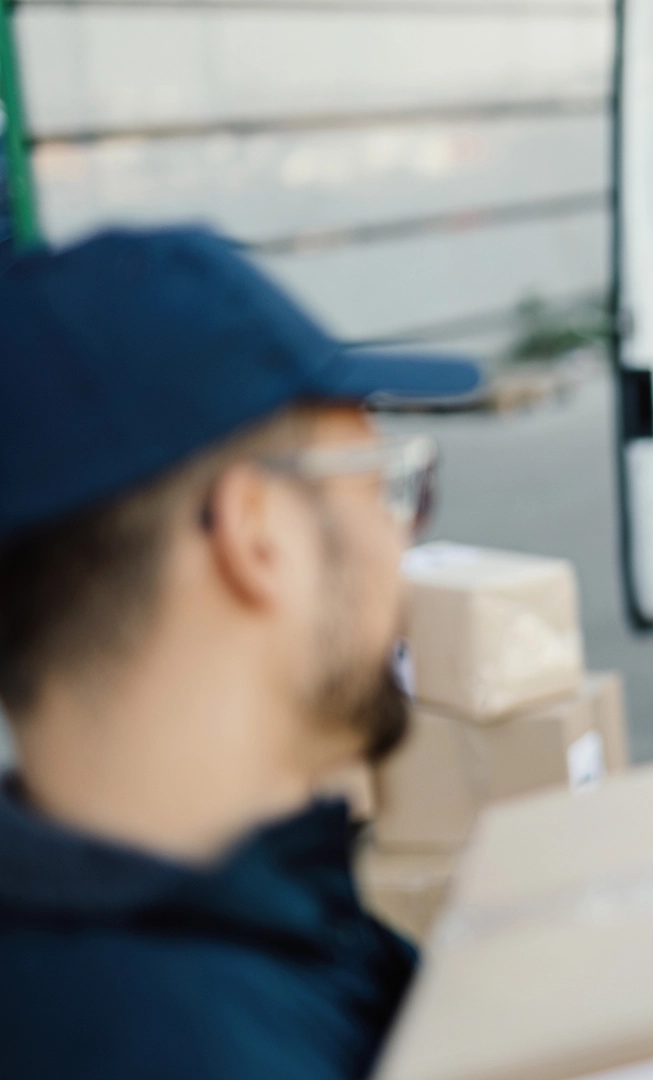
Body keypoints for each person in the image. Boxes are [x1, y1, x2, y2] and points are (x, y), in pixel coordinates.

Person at [0, 226, 479, 1078]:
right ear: (256, 535)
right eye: (384, 490)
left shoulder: (219, 950)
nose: (399, 543)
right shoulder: (199, 1046)